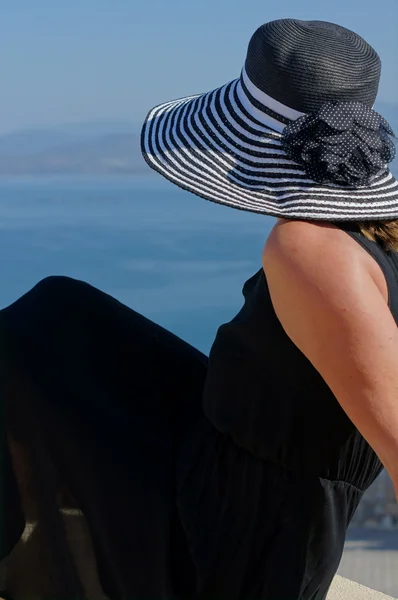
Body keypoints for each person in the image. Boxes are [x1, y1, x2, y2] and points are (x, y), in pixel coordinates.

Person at [0, 17, 397, 600]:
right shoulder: (374, 233)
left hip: (240, 533)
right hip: (241, 453)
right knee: (59, 315)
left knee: (22, 363)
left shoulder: (308, 249)